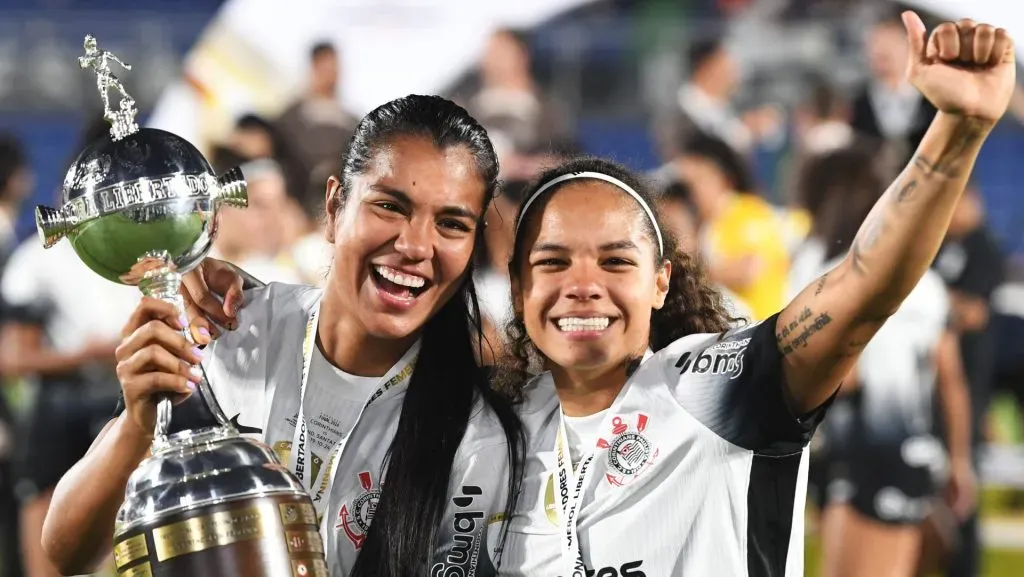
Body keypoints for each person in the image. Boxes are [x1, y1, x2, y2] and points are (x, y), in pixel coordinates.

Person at [492, 12, 1013, 576]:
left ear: (661, 280)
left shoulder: (710, 388)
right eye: (553, 262)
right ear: (520, 287)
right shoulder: (490, 435)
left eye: (617, 261)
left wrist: (956, 132)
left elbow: (863, 287)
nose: (584, 286)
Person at [41, 95, 524, 577]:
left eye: (451, 224)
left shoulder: (476, 436)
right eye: (389, 206)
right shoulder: (230, 330)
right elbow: (66, 551)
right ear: (334, 207)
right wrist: (136, 427)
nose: (416, 245)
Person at [789, 145, 975, 577]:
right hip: (911, 448)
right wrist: (960, 462)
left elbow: (834, 375)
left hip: (854, 447)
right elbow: (951, 380)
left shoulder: (823, 273)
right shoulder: (926, 282)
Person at [672, 131, 790, 320]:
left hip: (760, 328)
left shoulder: (746, 212)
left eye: (698, 180)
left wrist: (689, 276)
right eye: (686, 184)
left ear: (724, 177)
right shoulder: (707, 224)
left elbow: (750, 269)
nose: (692, 192)